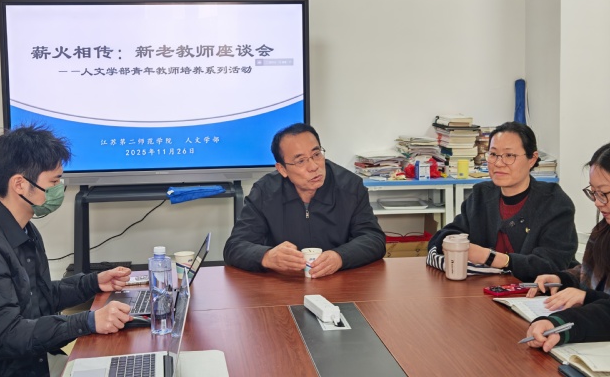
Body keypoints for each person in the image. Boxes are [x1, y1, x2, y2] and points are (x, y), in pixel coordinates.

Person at [0, 125, 135, 377]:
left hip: (37, 362)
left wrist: (93, 283)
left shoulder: (25, 229)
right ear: (19, 184)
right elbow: (5, 335)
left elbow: (40, 296)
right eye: (54, 181)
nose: (60, 188)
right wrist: (88, 321)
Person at [223, 123, 386, 277]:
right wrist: (267, 256)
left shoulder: (350, 186)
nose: (314, 166)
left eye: (316, 154)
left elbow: (374, 238)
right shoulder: (264, 192)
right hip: (283, 283)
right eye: (300, 161)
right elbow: (234, 246)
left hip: (338, 280)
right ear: (282, 169)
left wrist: (340, 257)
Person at [426, 121, 578, 282]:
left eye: (509, 155)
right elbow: (441, 239)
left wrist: (491, 258)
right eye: (493, 154)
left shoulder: (554, 202)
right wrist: (455, 244)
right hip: (487, 289)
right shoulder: (482, 195)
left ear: (532, 159)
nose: (498, 163)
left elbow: (552, 265)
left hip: (539, 293)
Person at [524, 143, 610, 351]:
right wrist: (562, 279)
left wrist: (561, 321)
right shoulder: (604, 230)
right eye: (594, 192)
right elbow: (593, 273)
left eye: (604, 193)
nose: (598, 202)